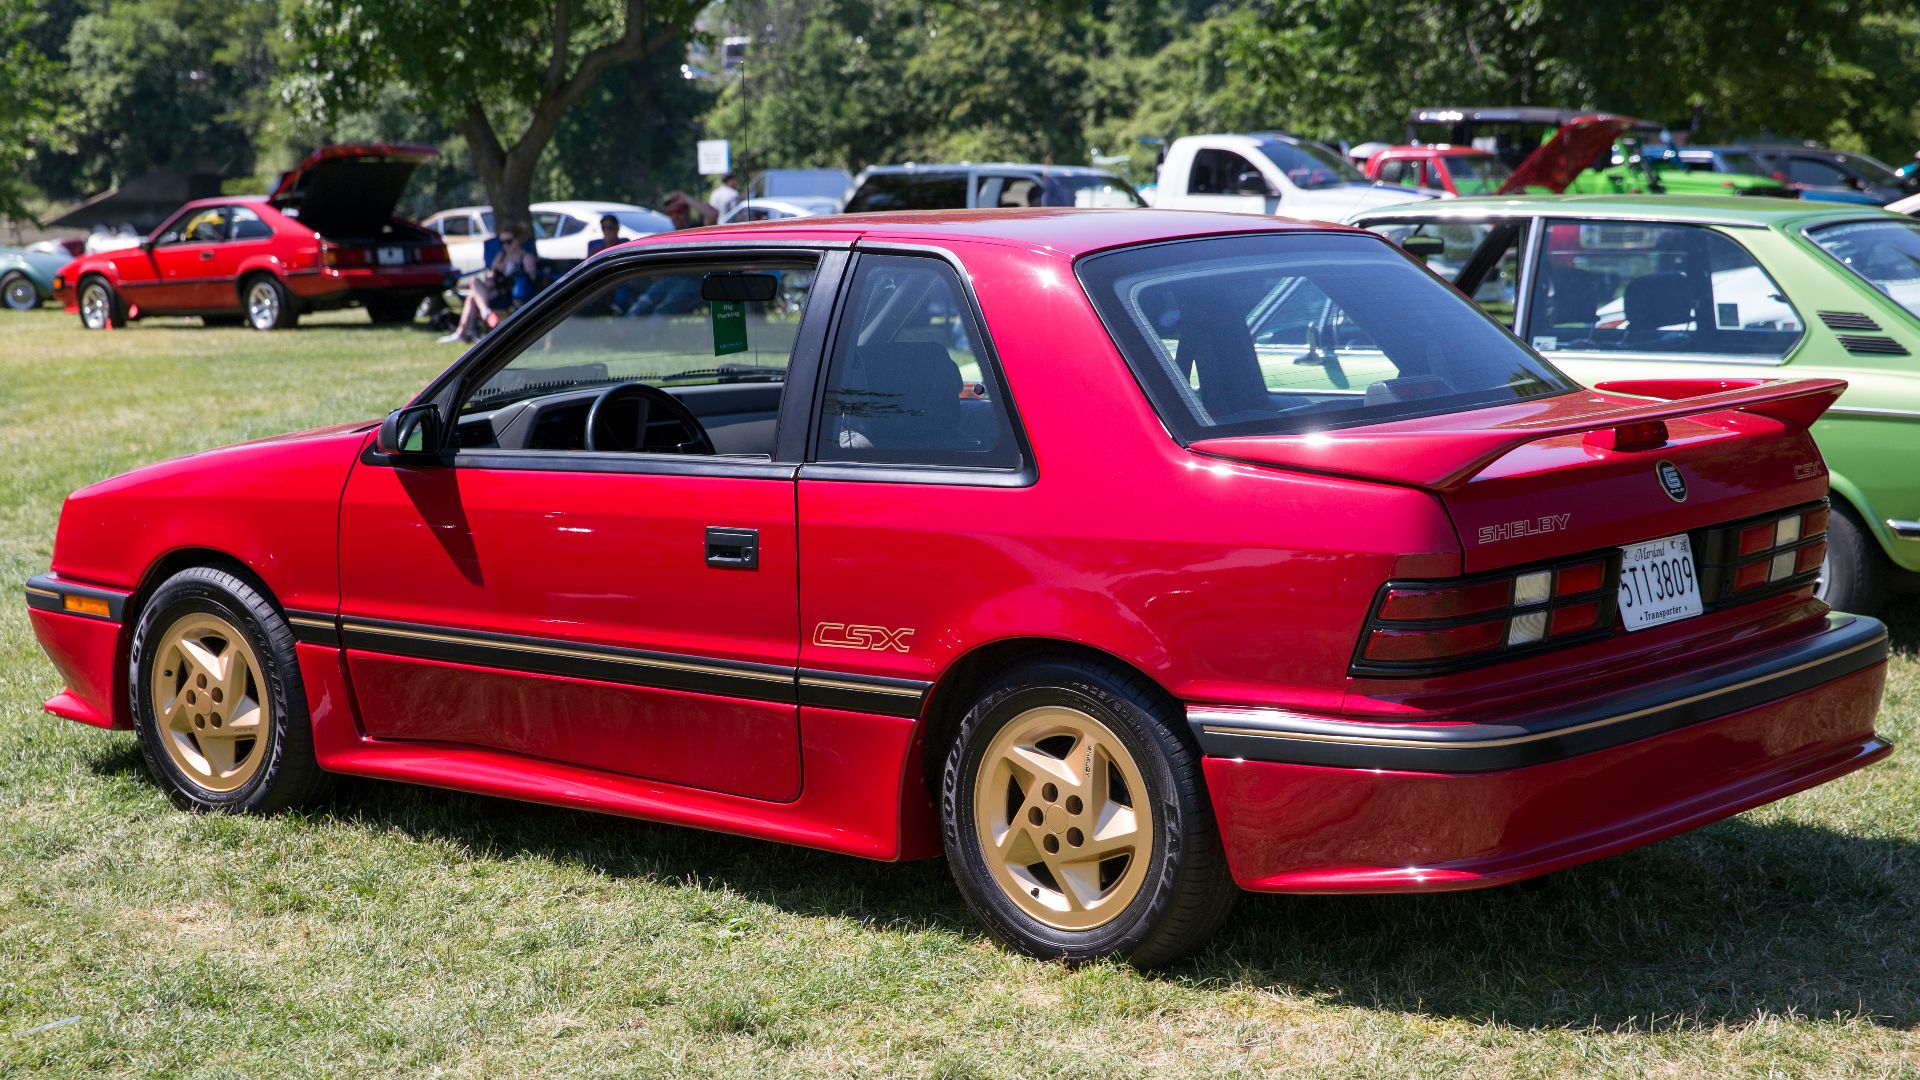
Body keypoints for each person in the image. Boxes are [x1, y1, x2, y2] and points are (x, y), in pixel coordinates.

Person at [438, 229, 539, 343]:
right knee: (474, 282)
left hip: (512, 295)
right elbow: (491, 274)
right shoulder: (501, 255)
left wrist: (510, 271)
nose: (505, 245)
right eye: (502, 243)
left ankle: (462, 332)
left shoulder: (526, 257)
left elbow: (530, 280)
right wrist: (492, 278)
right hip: (495, 292)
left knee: (472, 297)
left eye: (509, 241)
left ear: (518, 240)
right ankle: (484, 312)